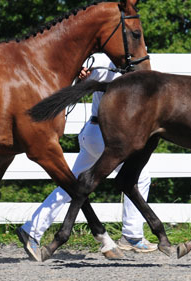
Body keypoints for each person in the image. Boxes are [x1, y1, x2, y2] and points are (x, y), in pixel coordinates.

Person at [16, 53, 157, 261]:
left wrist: (80, 73)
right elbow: (81, 73)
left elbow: (79, 72)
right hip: (106, 135)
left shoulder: (105, 62)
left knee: (69, 184)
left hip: (91, 133)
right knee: (140, 177)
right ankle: (132, 235)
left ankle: (32, 230)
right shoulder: (113, 65)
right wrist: (81, 73)